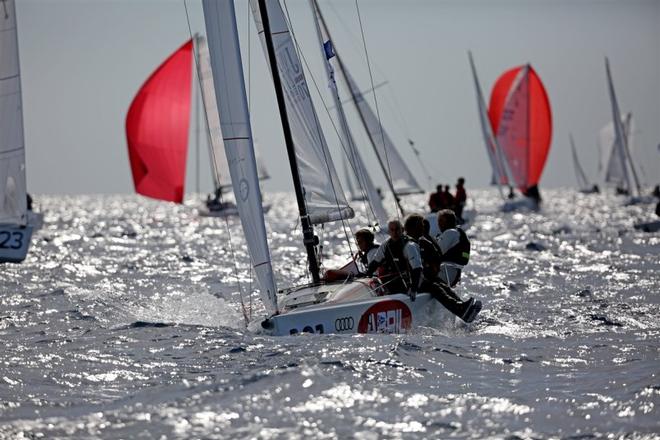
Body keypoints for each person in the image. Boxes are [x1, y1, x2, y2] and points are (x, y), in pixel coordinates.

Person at [366, 215, 482, 323]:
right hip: (398, 285)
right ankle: (460, 309)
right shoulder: (385, 246)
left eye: (397, 229)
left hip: (408, 283)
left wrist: (414, 287)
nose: (395, 232)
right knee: (434, 286)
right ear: (389, 231)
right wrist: (365, 274)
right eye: (392, 230)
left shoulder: (409, 245)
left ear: (402, 229)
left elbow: (417, 268)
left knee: (438, 282)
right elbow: (375, 263)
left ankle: (461, 307)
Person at [434, 209, 471, 287]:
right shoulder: (457, 232)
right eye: (439, 221)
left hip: (446, 272)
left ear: (449, 221)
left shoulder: (450, 233)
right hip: (452, 273)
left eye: (441, 221)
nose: (439, 223)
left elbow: (435, 252)